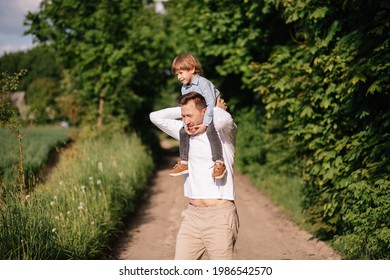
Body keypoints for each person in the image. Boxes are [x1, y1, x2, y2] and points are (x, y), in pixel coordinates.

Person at [149, 92, 239, 260]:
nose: (186, 121)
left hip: (219, 216)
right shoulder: (184, 133)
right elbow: (155, 117)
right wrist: (183, 110)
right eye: (183, 117)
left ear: (204, 112)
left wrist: (213, 110)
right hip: (192, 216)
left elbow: (224, 120)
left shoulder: (222, 134)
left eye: (190, 115)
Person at [169, 53, 226, 180]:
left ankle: (219, 162)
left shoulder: (203, 83)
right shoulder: (184, 88)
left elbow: (211, 102)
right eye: (177, 74)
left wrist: (205, 124)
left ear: (192, 69)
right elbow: (186, 106)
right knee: (182, 132)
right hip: (199, 114)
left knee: (211, 129)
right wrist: (186, 125)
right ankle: (184, 162)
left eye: (181, 73)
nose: (179, 77)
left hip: (212, 110)